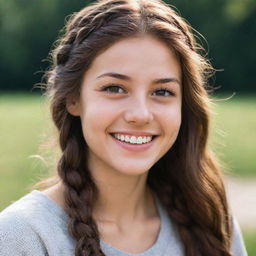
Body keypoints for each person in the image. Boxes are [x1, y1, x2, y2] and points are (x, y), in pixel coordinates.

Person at [0, 0, 248, 255]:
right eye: (114, 88)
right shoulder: (21, 236)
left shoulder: (211, 221)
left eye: (162, 91)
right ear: (73, 99)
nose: (140, 114)